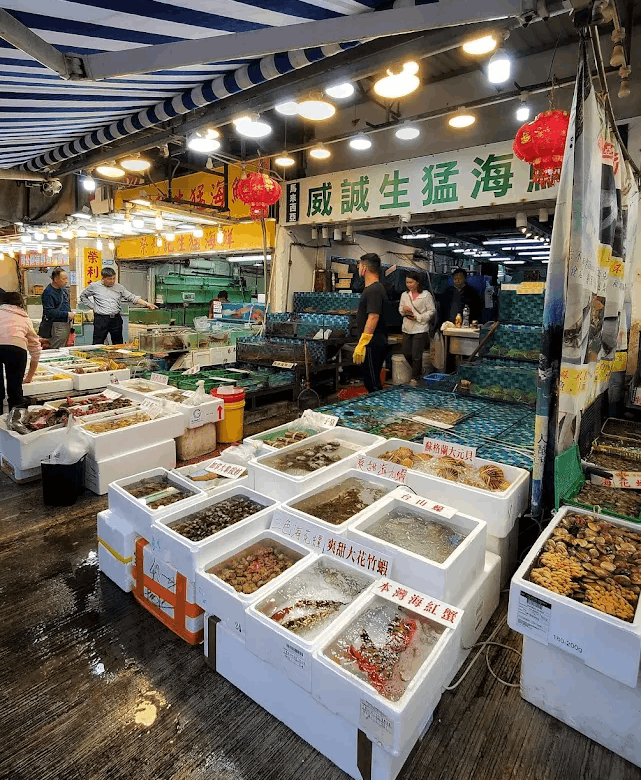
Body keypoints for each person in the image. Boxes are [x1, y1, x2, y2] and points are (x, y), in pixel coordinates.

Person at [79, 268, 157, 345]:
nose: (112, 281)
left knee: (118, 343)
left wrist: (147, 304)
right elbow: (83, 296)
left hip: (115, 319)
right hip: (101, 319)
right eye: (110, 279)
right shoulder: (94, 286)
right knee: (98, 343)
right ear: (103, 278)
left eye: (114, 278)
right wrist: (92, 307)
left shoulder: (119, 287)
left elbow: (132, 297)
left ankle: (118, 357)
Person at [0, 291, 42, 412]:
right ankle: (15, 421)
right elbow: (35, 349)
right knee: (15, 391)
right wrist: (29, 376)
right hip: (17, 350)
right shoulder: (24, 318)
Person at [353, 253, 388, 393]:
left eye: (359, 265)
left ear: (364, 267)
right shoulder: (371, 288)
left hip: (373, 344)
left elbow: (373, 317)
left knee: (373, 384)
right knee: (370, 381)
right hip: (372, 343)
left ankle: (380, 412)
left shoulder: (374, 290)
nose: (358, 269)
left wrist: (363, 342)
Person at [399, 270, 436, 386]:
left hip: (420, 328)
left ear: (417, 282)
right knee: (406, 352)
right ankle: (419, 371)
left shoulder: (426, 295)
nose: (409, 285)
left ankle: (415, 378)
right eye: (407, 283)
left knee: (416, 355)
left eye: (411, 282)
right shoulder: (404, 295)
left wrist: (418, 317)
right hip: (407, 327)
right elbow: (400, 308)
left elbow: (432, 311)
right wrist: (404, 312)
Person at [41, 267, 74, 349]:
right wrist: (66, 314)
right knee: (56, 348)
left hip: (65, 323)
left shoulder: (63, 289)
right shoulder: (48, 292)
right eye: (64, 279)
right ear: (55, 279)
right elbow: (48, 311)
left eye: (67, 278)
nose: (66, 281)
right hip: (57, 325)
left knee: (63, 347)